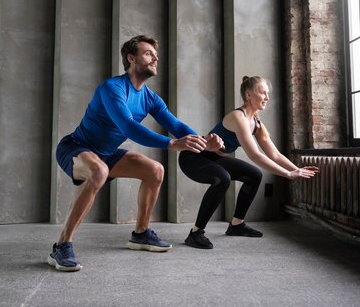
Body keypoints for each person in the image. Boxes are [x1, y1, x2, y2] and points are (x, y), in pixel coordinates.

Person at [49, 35, 224, 271]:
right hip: (76, 147)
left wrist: (204, 142)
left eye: (155, 54)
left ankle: (140, 234)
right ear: (131, 58)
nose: (156, 58)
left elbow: (177, 127)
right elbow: (128, 127)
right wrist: (172, 145)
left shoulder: (150, 98)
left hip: (107, 153)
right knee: (99, 171)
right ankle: (61, 245)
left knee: (155, 170)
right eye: (148, 53)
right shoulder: (113, 88)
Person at [179, 76, 318, 249]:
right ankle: (195, 233)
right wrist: (288, 174)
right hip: (193, 157)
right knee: (223, 178)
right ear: (248, 95)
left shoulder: (256, 124)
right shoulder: (238, 117)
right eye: (262, 92)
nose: (267, 97)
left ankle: (236, 224)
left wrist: (297, 169)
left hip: (215, 158)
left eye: (268, 93)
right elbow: (255, 155)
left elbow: (274, 154)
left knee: (254, 174)